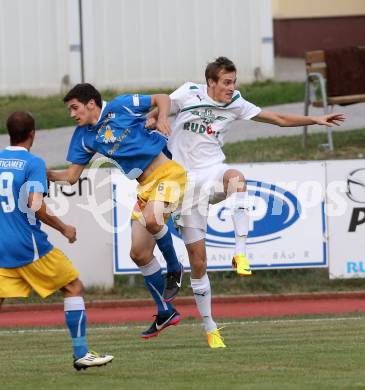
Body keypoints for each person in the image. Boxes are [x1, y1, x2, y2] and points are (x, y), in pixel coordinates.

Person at [138, 56, 345, 348]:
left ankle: (240, 252)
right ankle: (211, 328)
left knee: (236, 177)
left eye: (233, 82)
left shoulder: (235, 101)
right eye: (225, 82)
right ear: (210, 82)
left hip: (213, 172)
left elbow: (278, 119)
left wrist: (315, 119)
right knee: (199, 262)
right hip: (182, 183)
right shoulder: (189, 93)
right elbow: (163, 105)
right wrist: (156, 117)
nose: (231, 87)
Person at [47, 84, 187, 333]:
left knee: (152, 221)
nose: (72, 114)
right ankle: (165, 312)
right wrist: (45, 173)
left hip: (168, 175)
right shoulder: (83, 136)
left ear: (92, 103)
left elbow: (161, 98)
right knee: (139, 253)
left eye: (74, 107)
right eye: (70, 109)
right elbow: (71, 177)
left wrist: (162, 117)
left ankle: (174, 268)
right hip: (144, 187)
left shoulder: (120, 106)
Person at [0, 112, 114, 370]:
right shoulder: (32, 163)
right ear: (33, 134)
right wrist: (64, 228)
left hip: (1, 245)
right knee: (73, 287)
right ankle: (81, 352)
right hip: (28, 245)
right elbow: (35, 204)